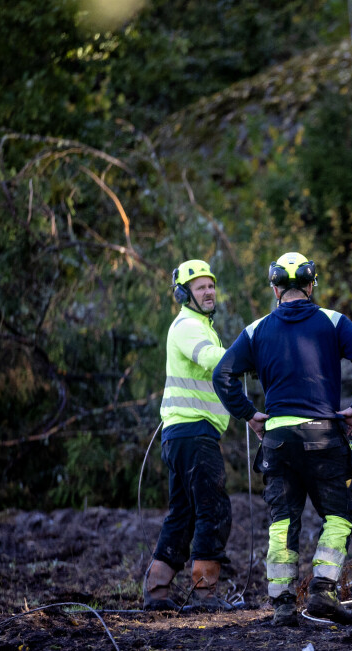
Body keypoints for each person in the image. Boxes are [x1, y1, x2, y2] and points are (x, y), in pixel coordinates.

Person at [213, 252, 352, 627]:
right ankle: (323, 591)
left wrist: (250, 415)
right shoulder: (333, 321)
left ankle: (283, 606)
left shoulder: (256, 330)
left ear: (275, 289)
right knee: (338, 516)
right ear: (310, 286)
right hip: (324, 436)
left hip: (277, 441)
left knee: (281, 522)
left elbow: (222, 375)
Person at [144, 259, 233, 612]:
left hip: (184, 435)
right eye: (200, 287)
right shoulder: (187, 327)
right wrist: (251, 356)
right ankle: (205, 595)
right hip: (193, 434)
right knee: (213, 509)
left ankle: (157, 590)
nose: (209, 291)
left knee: (182, 513)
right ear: (185, 294)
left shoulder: (200, 325)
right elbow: (212, 359)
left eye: (211, 285)